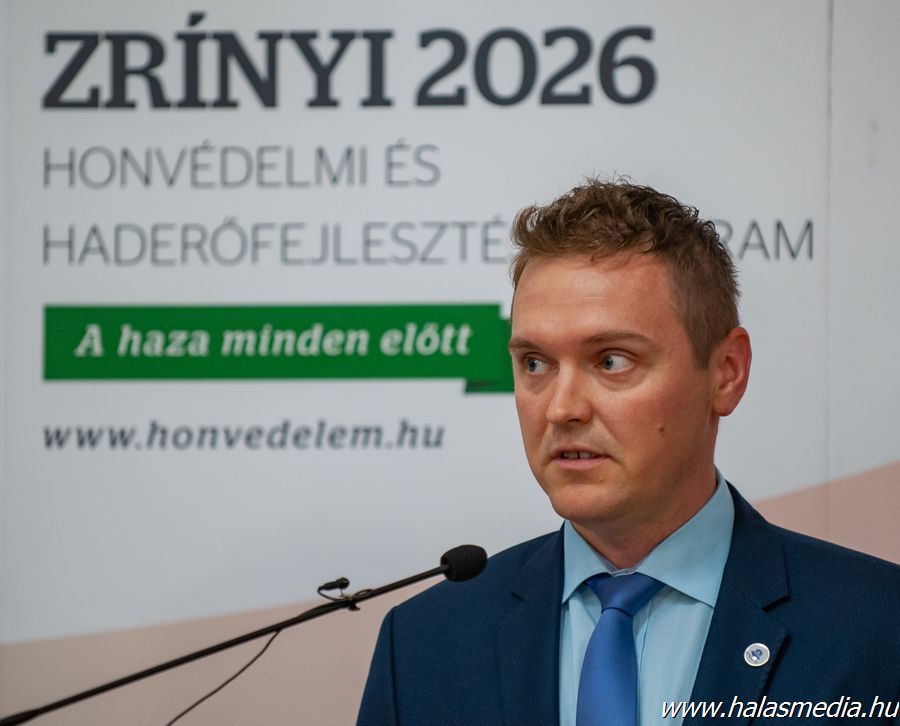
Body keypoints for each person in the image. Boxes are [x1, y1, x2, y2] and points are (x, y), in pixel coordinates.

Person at [357, 179, 900, 725]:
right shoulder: (425, 643)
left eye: (611, 361)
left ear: (726, 373)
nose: (561, 409)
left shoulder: (878, 628)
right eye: (535, 364)